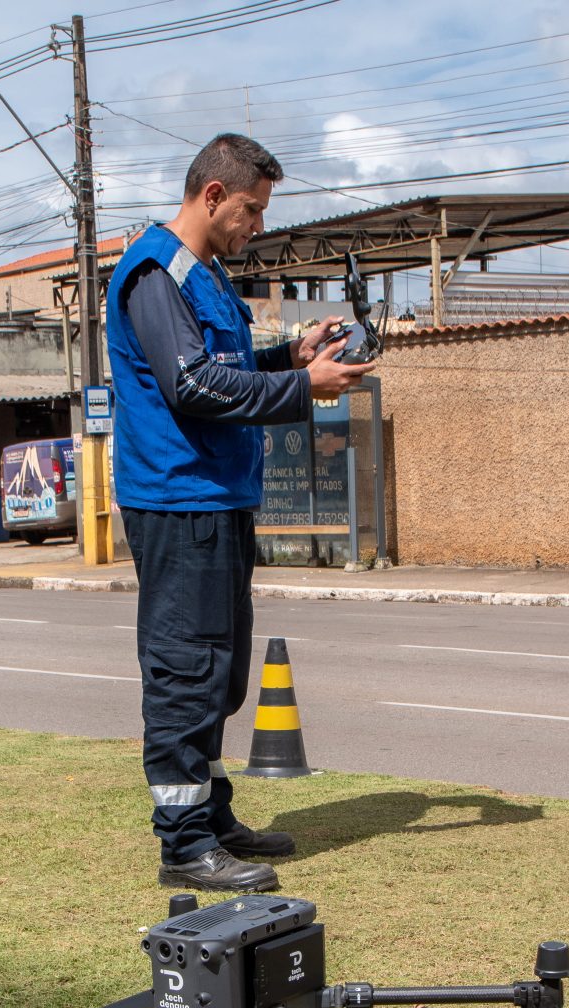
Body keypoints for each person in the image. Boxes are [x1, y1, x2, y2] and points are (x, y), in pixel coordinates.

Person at [105, 132, 374, 893]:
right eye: (251, 210)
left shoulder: (207, 276)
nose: (257, 225)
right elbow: (191, 388)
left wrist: (290, 358)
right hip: (177, 497)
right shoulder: (156, 273)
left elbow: (220, 369)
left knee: (219, 674)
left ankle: (211, 815)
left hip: (217, 497)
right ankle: (183, 843)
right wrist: (303, 390)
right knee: (186, 671)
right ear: (212, 195)